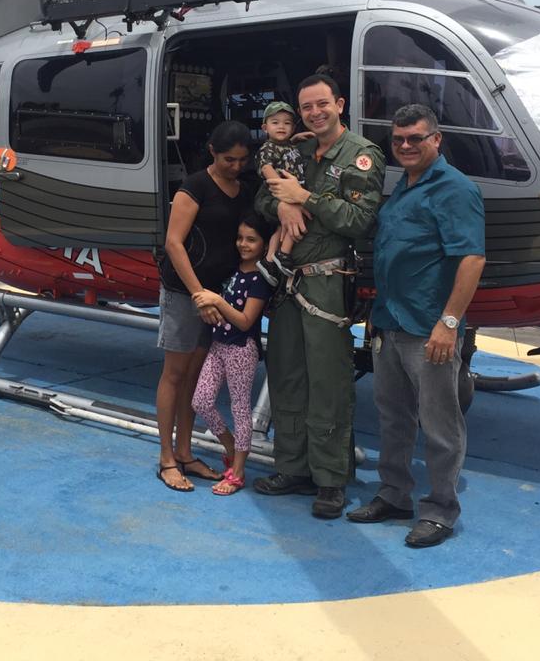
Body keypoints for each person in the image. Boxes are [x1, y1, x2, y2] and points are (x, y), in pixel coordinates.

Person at [347, 103, 486, 548]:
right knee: (393, 418)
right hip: (390, 323)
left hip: (430, 331)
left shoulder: (454, 189)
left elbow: (471, 257)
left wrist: (449, 323)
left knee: (440, 423)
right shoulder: (404, 187)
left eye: (415, 138)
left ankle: (441, 510)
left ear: (436, 140)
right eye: (399, 140)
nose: (406, 146)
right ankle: (393, 494)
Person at [253, 74, 385, 519]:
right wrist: (284, 205)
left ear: (340, 104)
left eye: (322, 104)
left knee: (328, 380)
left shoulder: (362, 156)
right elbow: (262, 197)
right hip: (288, 284)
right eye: (307, 107)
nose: (314, 113)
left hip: (327, 282)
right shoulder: (299, 150)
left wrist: (304, 196)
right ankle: (293, 467)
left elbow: (359, 220)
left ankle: (330, 479)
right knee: (286, 373)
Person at [156, 120, 255, 492]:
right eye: (229, 159)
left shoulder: (243, 190)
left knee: (195, 376)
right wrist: (199, 295)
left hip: (218, 297)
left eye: (242, 160)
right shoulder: (195, 186)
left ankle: (185, 450)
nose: (236, 166)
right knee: (175, 373)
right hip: (186, 294)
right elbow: (174, 243)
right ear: (213, 152)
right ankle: (166, 456)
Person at [190, 212, 275, 496]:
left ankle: (238, 471)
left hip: (241, 349)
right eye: (240, 238)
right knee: (200, 401)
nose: (243, 244)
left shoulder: (259, 279)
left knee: (240, 409)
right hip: (218, 345)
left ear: (264, 245)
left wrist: (216, 301)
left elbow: (245, 320)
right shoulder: (233, 270)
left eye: (251, 239)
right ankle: (230, 446)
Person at [254, 101, 308, 280]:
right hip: (285, 191)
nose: (281, 127)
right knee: (295, 221)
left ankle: (269, 260)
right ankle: (283, 254)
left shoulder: (288, 145)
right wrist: (281, 187)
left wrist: (296, 139)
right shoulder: (267, 148)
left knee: (282, 226)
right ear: (265, 127)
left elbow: (285, 151)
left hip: (292, 189)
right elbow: (266, 167)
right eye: (275, 122)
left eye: (287, 123)